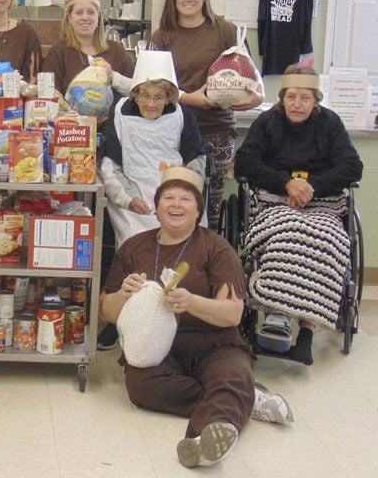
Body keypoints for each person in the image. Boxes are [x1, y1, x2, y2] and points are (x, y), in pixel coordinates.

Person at [99, 167, 293, 469]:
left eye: (185, 199)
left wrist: (191, 302)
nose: (176, 205)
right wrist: (123, 294)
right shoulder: (134, 247)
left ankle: (205, 442)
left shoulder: (216, 248)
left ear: (198, 209)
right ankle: (243, 399)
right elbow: (106, 312)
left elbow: (232, 314)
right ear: (157, 206)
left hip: (216, 345)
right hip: (158, 349)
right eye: (169, 198)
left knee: (230, 371)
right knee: (141, 388)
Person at [234, 64, 363, 365]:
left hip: (322, 203)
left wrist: (311, 188)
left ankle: (307, 327)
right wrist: (286, 183)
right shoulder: (267, 122)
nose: (297, 104)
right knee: (285, 235)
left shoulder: (330, 123)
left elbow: (351, 167)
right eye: (291, 97)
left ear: (316, 100)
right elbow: (245, 162)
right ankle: (274, 311)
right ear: (282, 98)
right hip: (275, 201)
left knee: (328, 240)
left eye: (305, 98)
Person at [96, 50, 205, 351]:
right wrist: (129, 200)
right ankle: (121, 320)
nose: (152, 103)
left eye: (159, 97)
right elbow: (109, 167)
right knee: (133, 248)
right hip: (133, 198)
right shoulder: (119, 114)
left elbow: (196, 163)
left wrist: (181, 197)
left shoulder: (184, 116)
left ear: (170, 96)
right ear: (135, 94)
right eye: (145, 95)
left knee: (184, 252)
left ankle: (177, 323)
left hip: (174, 194)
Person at [150, 0, 264, 230]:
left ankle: (205, 262)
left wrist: (257, 97)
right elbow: (149, 84)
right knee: (171, 196)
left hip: (217, 128)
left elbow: (251, 74)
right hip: (171, 128)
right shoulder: (162, 36)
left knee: (208, 202)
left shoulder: (225, 31)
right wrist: (188, 98)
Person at [41, 0, 134, 98]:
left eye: (90, 12)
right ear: (70, 18)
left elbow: (137, 91)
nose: (85, 17)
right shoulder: (59, 52)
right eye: (79, 13)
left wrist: (113, 77)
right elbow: (48, 93)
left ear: (98, 17)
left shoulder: (117, 51)